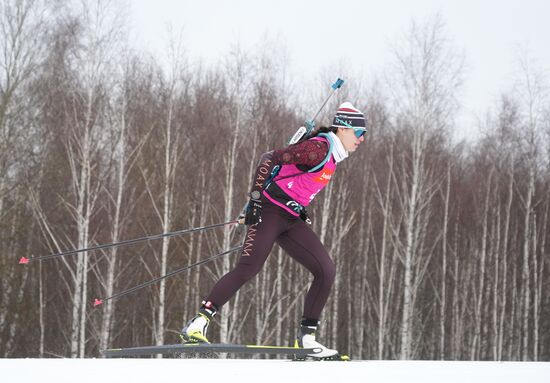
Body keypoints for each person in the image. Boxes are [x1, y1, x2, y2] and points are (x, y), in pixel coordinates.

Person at [181, 102, 367, 359]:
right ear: (344, 129)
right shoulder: (317, 149)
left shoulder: (333, 155)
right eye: (359, 133)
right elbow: (269, 158)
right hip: (268, 213)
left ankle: (306, 340)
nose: (362, 139)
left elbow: (294, 183)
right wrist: (256, 201)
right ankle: (197, 324)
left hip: (290, 219)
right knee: (249, 268)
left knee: (326, 270)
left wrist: (298, 206)